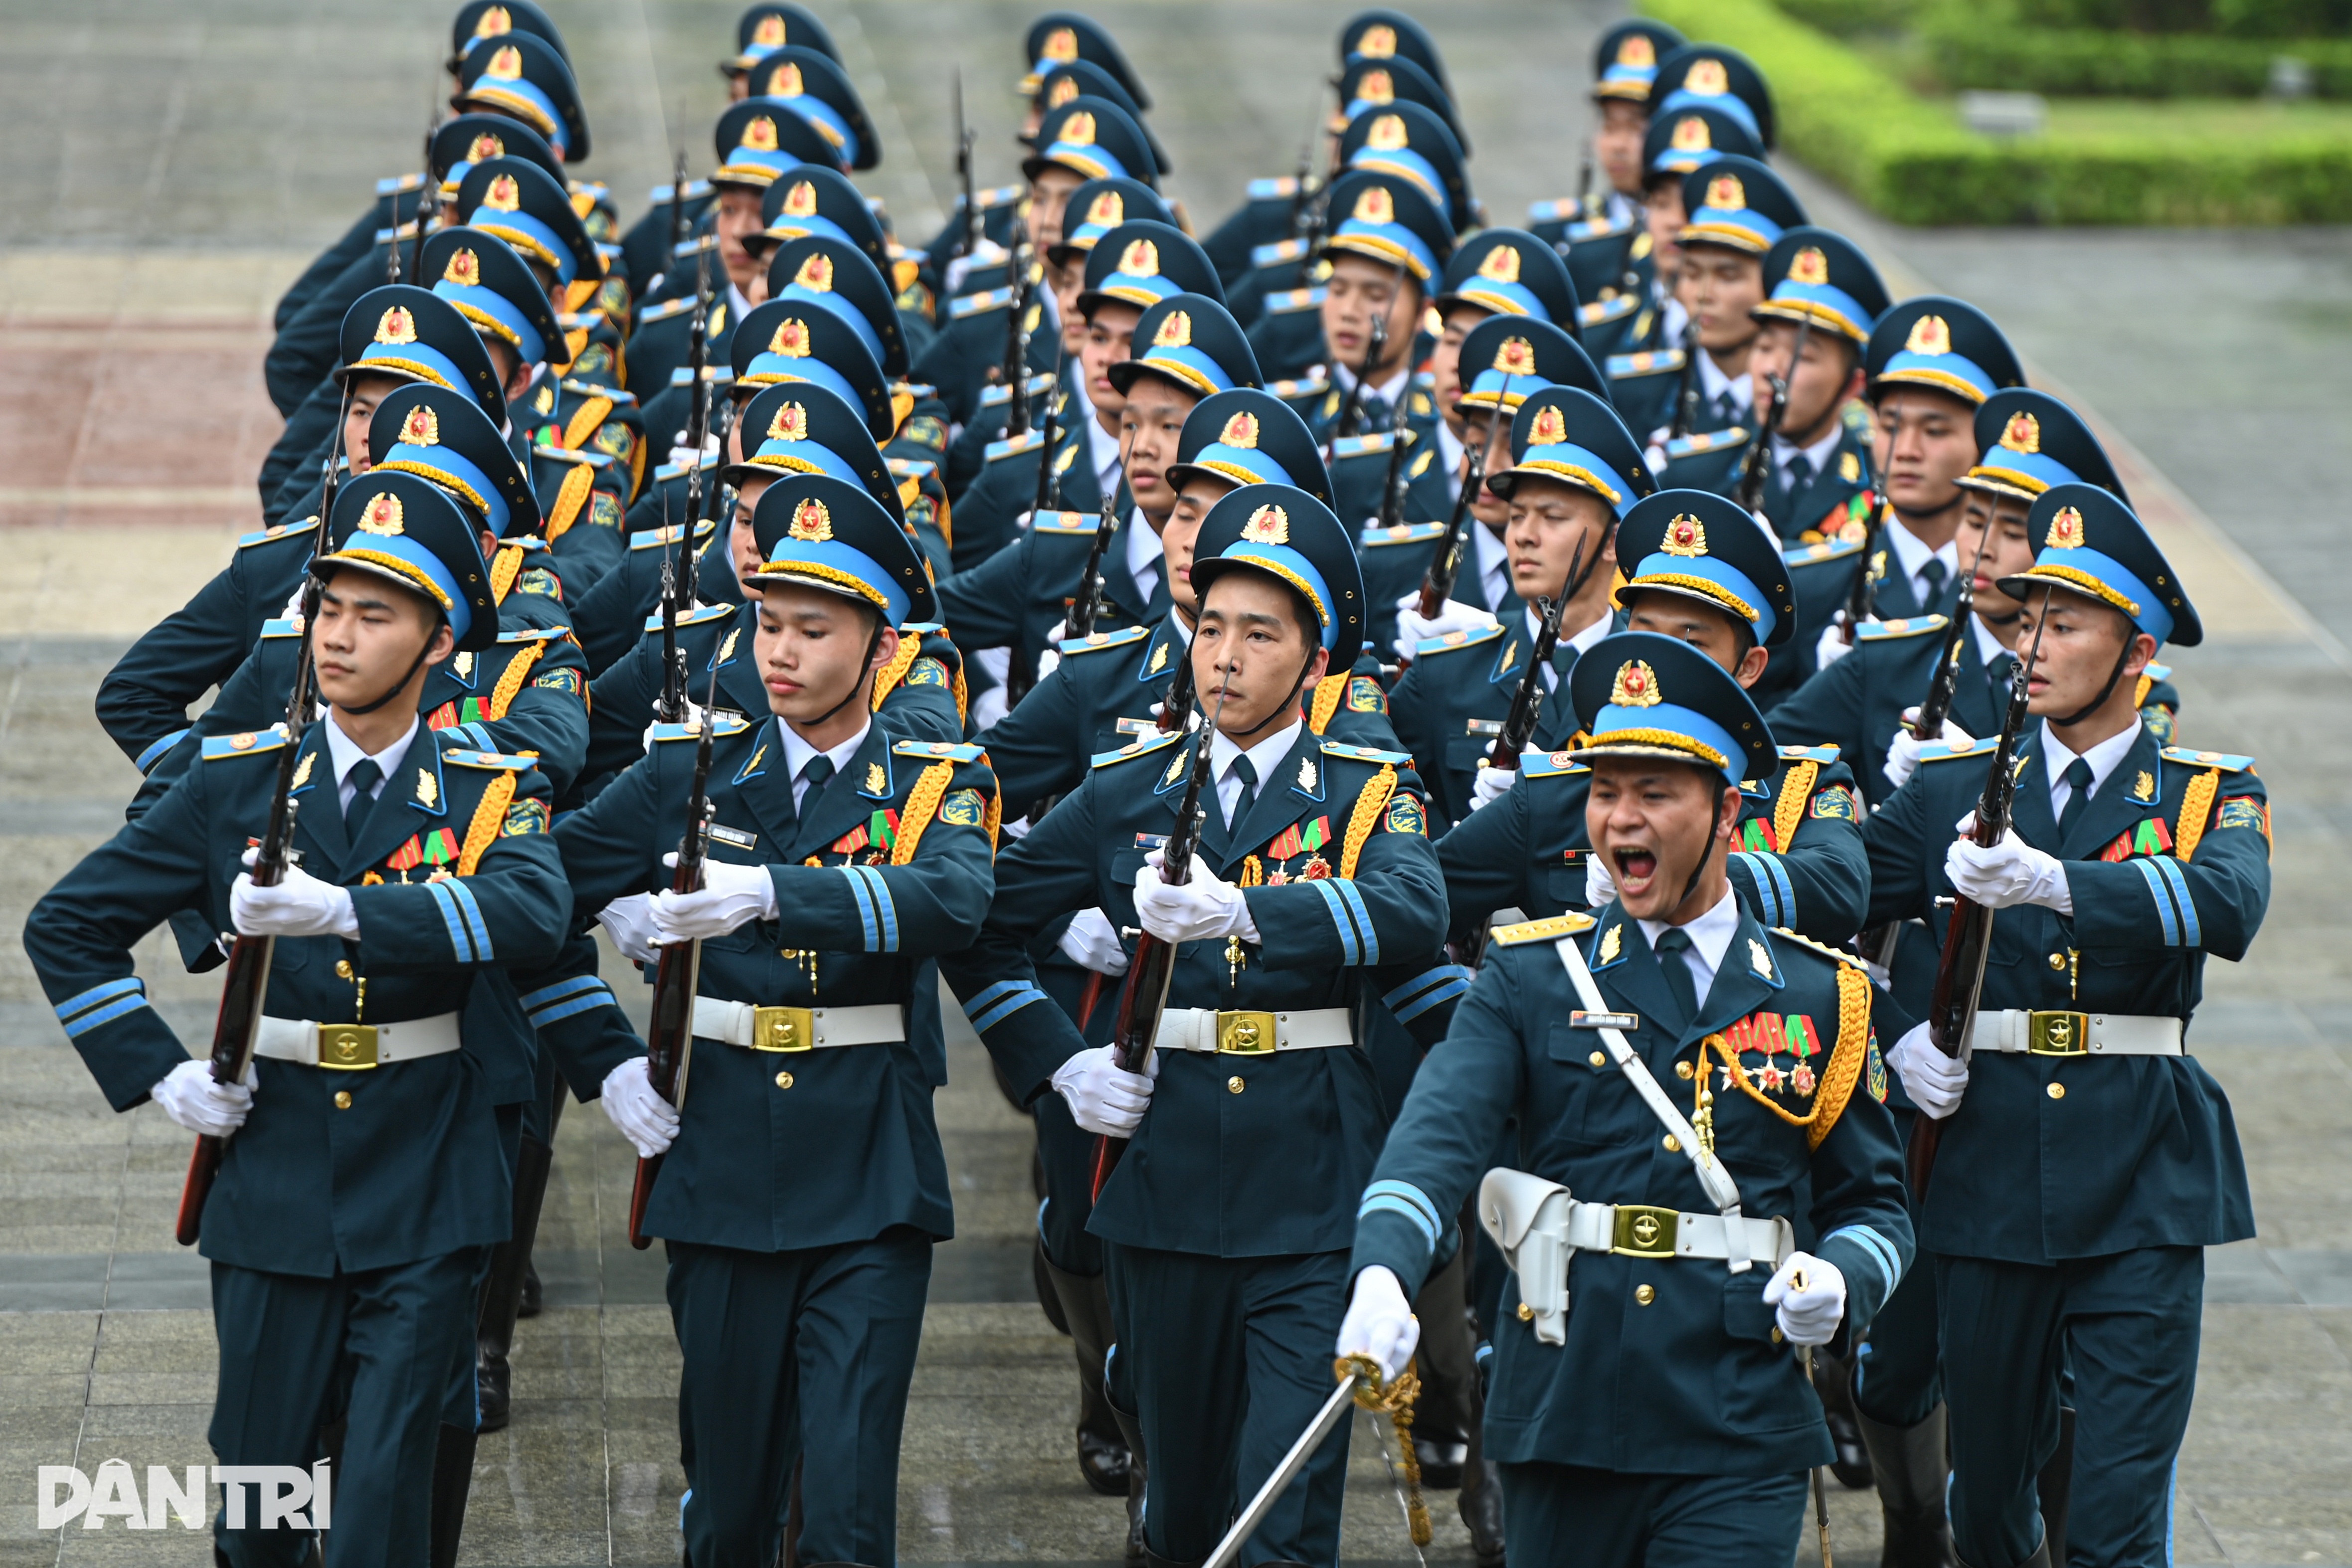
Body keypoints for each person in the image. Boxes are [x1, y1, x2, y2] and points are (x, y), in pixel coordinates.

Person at [25, 472, 571, 1568]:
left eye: (375, 615)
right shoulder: (237, 783)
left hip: (427, 1174)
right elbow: (69, 925)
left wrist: (350, 912)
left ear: (438, 642)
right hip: (272, 1173)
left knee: (381, 1503)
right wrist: (159, 1071)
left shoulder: (488, 788)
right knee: (260, 1505)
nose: (338, 636)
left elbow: (533, 911)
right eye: (328, 608)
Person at [944, 483, 1459, 1568]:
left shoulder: (1366, 790)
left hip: (1311, 1187)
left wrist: (1248, 914)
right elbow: (980, 922)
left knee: (1282, 1512)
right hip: (1164, 1183)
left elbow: (1416, 908)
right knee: (1179, 1516)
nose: (1224, 657)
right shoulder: (1129, 790)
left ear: (1315, 663)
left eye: (1260, 635)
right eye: (1211, 627)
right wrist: (1060, 1064)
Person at [1339, 629, 1913, 1564]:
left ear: (1726, 812)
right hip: (1565, 1408)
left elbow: (1876, 1206)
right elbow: (1438, 1134)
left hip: (1740, 1419)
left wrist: (1843, 1277)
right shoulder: (1530, 976)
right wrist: (1382, 1267)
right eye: (1604, 792)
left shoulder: (1820, 994)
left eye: (1654, 793)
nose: (1620, 821)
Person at [554, 473, 999, 1568]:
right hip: (718, 1161)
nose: (781, 653)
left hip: (869, 1172)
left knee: (845, 1514)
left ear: (879, 644)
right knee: (731, 1511)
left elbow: (953, 897)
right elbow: (528, 895)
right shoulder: (691, 769)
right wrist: (605, 1056)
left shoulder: (934, 779)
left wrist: (771, 893)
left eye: (814, 628)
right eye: (768, 624)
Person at [1863, 483, 2262, 1568]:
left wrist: (2058, 883)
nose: (2031, 644)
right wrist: (1894, 1034)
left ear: (2137, 652)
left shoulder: (2205, 793)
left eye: (2067, 624)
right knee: (1990, 1504)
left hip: (2143, 1173)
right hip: (1986, 1171)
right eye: (2029, 618)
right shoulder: (1949, 788)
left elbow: (2229, 904)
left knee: (2116, 1514)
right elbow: (1824, 911)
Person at [99, 286, 508, 775]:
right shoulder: (279, 563)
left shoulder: (492, 576)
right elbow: (133, 693)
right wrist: (224, 792)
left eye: (398, 418)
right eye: (361, 412)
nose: (370, 435)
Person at [1437, 488, 1868, 949]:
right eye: (1644, 632)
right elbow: (1423, 901)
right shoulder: (1553, 794)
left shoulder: (1797, 787)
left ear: (1749, 666)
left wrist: (1678, 873)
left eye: (1691, 644)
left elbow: (1840, 886)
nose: (1660, 659)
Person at [1388, 386, 1655, 831]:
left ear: (1613, 541)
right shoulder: (1446, 672)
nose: (1524, 536)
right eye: (1516, 516)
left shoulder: (1656, 672)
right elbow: (1376, 787)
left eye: (1552, 517)